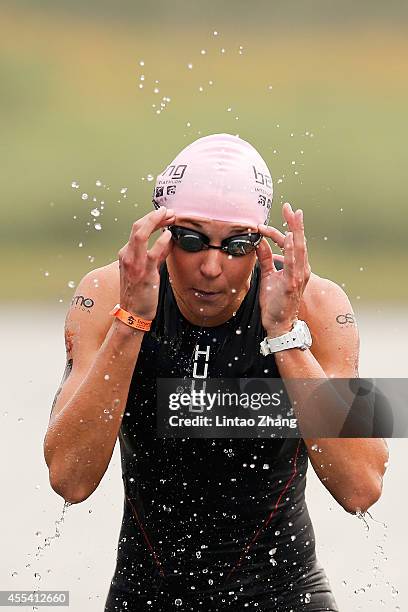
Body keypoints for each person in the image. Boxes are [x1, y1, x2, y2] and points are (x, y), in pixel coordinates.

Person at [43, 134, 388, 611]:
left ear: (260, 242)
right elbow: (69, 479)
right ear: (162, 234)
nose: (210, 267)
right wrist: (131, 326)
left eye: (236, 244)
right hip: (148, 598)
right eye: (191, 240)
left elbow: (363, 488)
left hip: (285, 597)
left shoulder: (316, 302)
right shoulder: (109, 294)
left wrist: (285, 334)